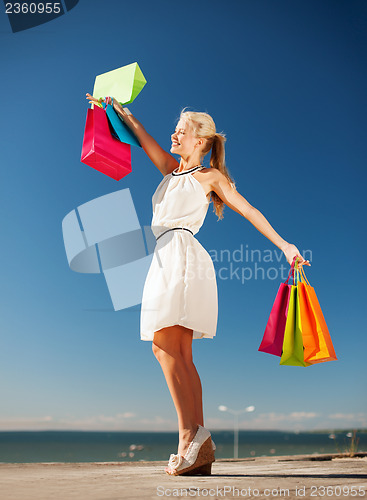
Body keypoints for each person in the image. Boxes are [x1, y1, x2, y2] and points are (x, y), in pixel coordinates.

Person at [86, 94, 310, 476]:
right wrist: (113, 108)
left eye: (182, 130)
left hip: (183, 256)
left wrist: (286, 245)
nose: (174, 133)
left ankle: (189, 437)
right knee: (175, 352)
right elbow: (140, 136)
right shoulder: (170, 172)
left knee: (165, 346)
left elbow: (248, 209)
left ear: (201, 141)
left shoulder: (209, 177)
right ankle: (196, 443)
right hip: (164, 257)